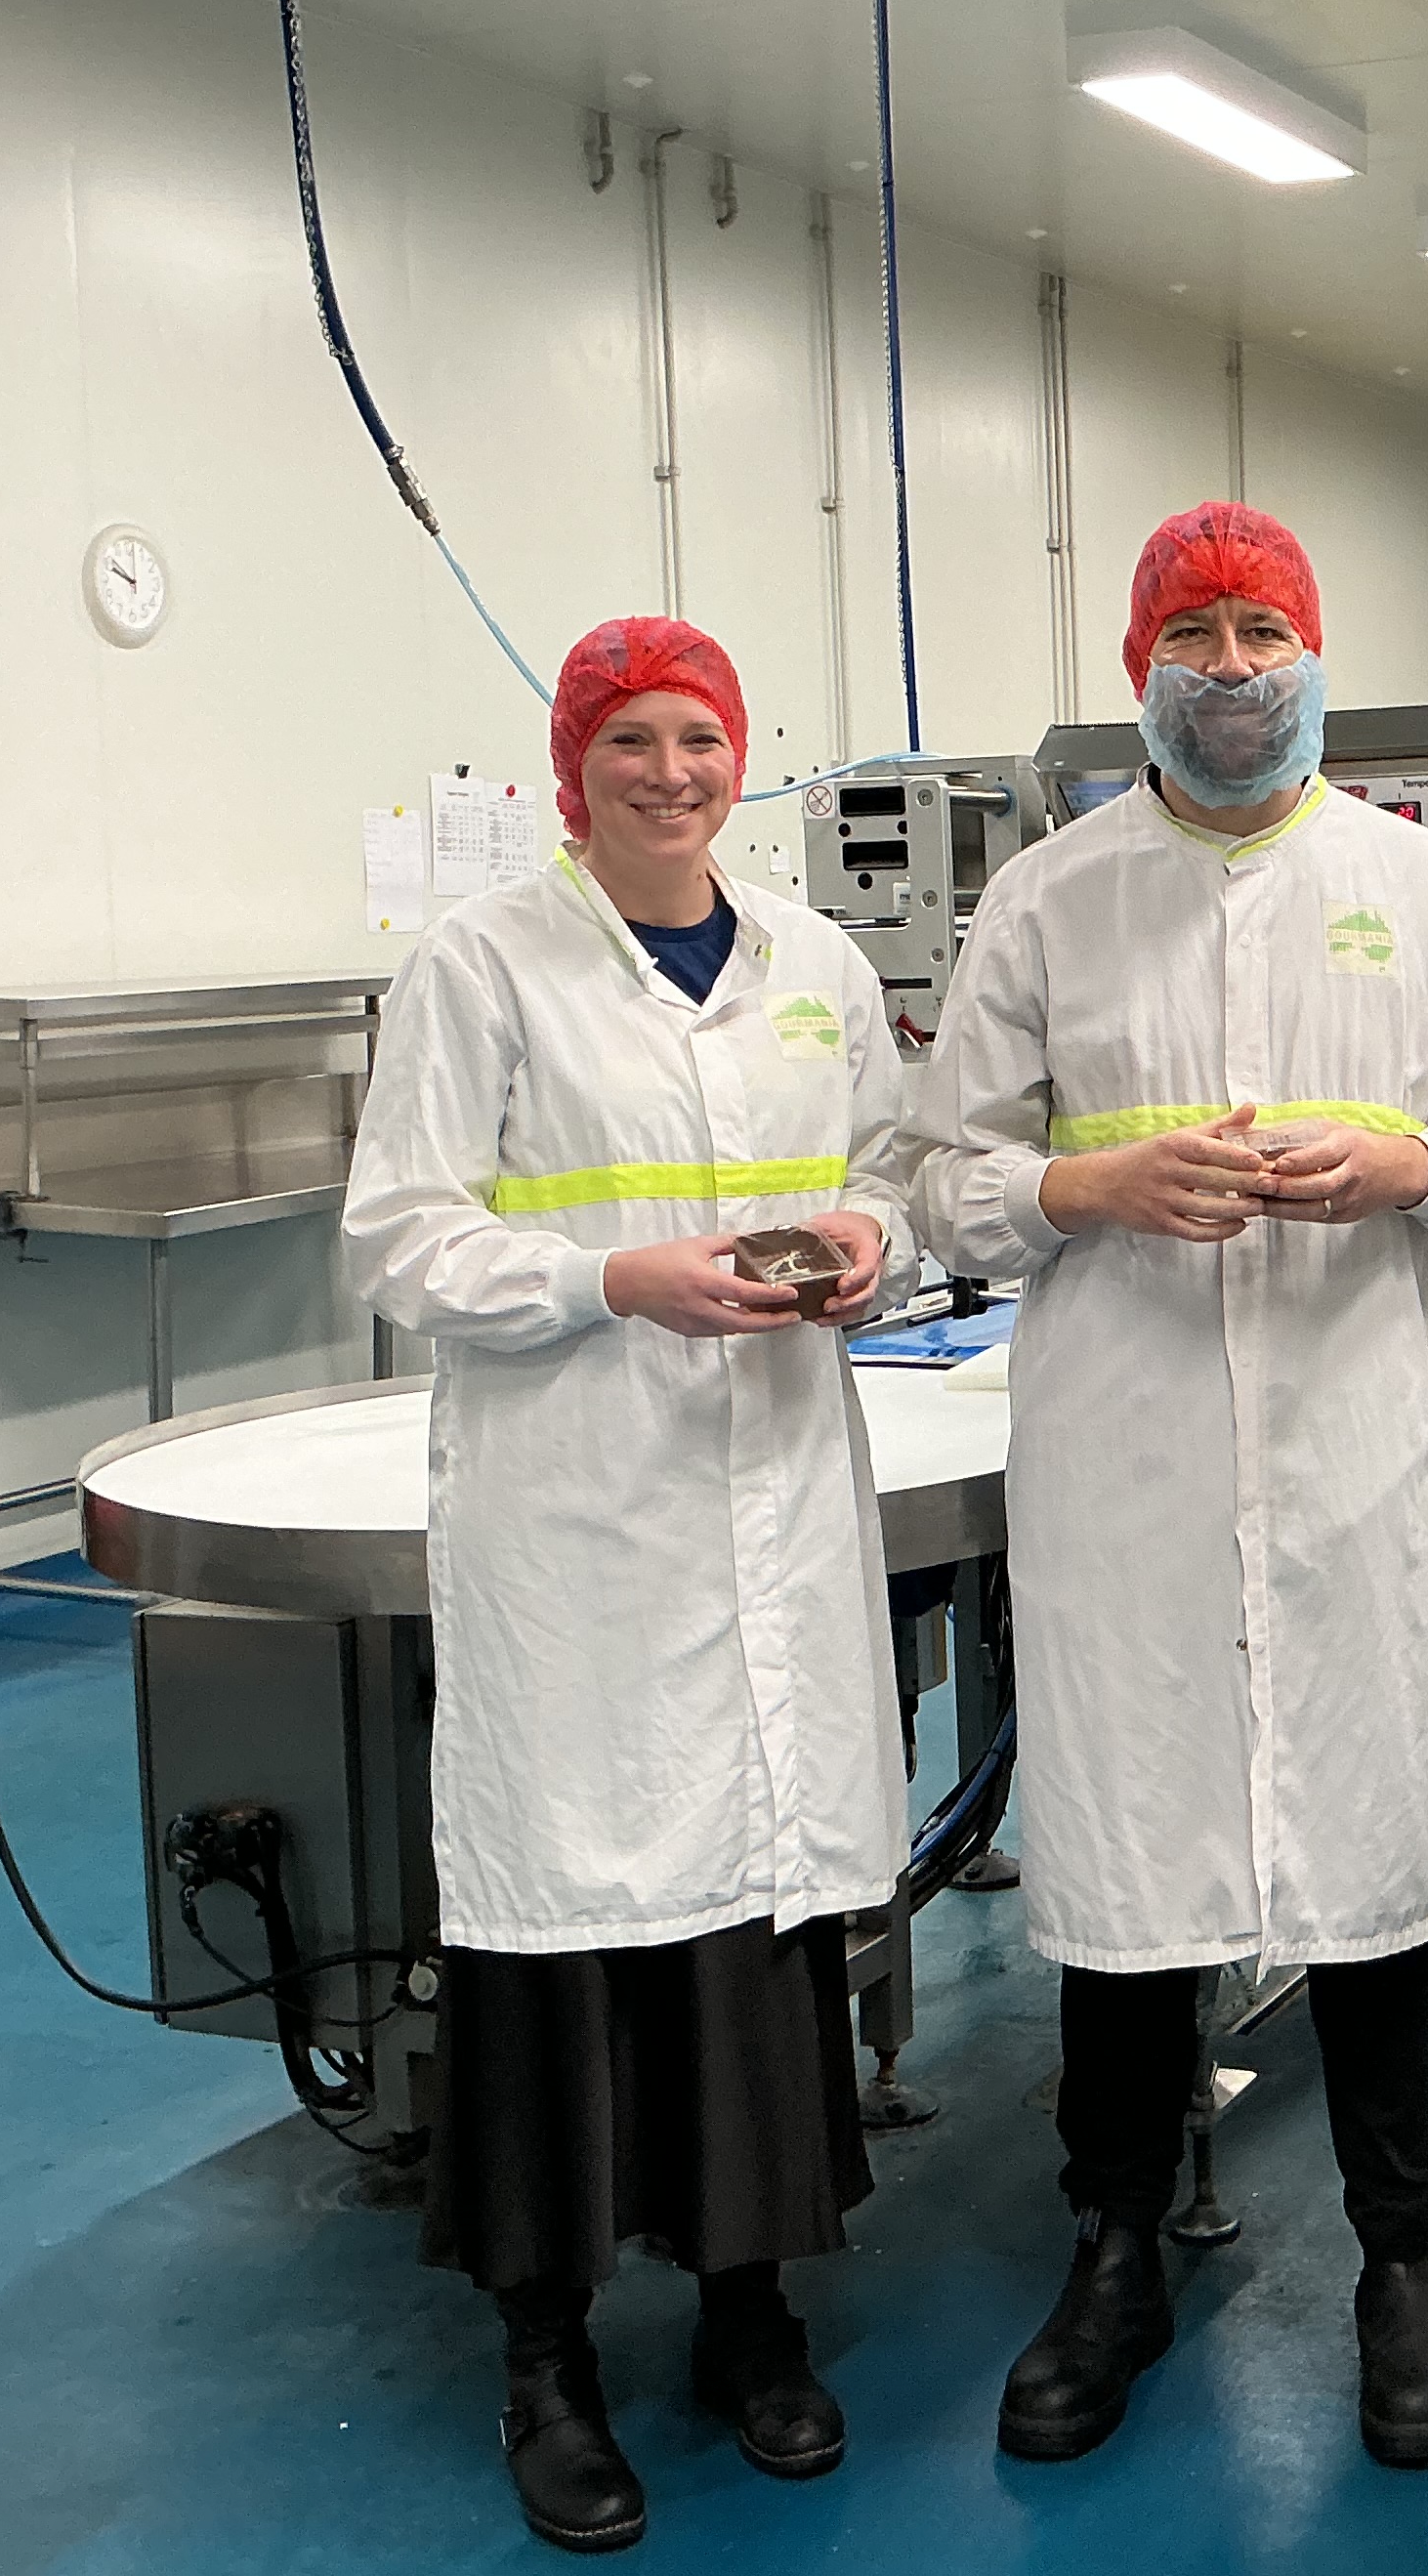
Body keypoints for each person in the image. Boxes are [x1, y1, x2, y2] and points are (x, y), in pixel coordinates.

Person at [903, 499, 1428, 2470]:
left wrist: (1408, 1172)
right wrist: (1082, 1188)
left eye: (1262, 626)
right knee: (1127, 1867)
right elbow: (938, 1174)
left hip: (1351, 1452)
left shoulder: (1417, 889)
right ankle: (1114, 2249)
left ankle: (1402, 2261)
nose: (1229, 664)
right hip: (1131, 1454)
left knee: (1367, 1863)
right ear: (1139, 671)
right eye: (1190, 632)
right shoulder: (1048, 899)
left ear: (1316, 652)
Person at [341, 616, 917, 2556]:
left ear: (737, 762)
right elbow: (400, 1238)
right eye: (632, 742)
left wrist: (862, 1235)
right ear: (574, 767)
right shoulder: (479, 969)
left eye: (700, 741)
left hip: (761, 1492)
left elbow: (895, 1175)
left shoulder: (817, 968)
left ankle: (750, 2315)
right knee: (566, 1933)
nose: (670, 772)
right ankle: (548, 2357)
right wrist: (611, 1279)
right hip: (575, 1519)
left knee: (754, 1926)